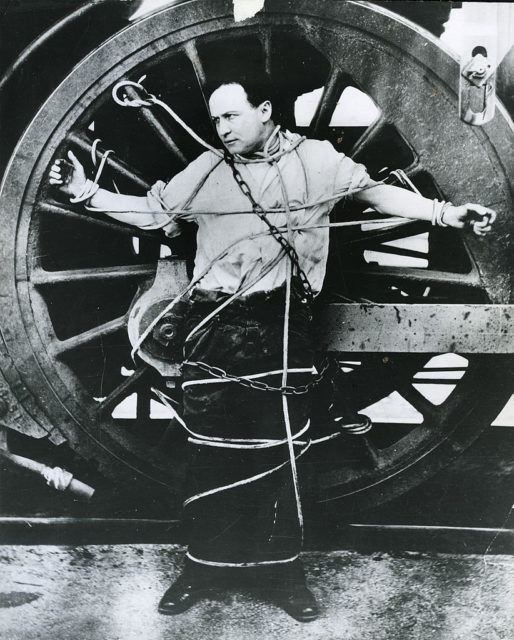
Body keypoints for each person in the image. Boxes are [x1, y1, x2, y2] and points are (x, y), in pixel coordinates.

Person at [48, 73, 495, 622]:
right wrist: (84, 192)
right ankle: (199, 569)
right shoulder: (211, 169)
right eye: (215, 119)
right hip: (214, 325)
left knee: (282, 452)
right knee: (208, 452)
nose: (221, 128)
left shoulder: (318, 161)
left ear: (265, 110)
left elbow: (374, 192)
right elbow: (154, 211)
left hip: (283, 323)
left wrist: (446, 214)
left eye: (231, 116)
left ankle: (285, 575)